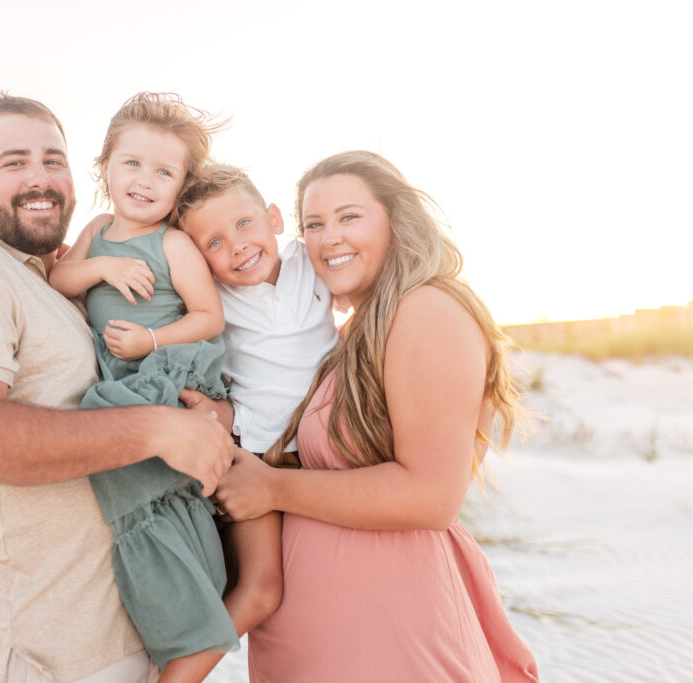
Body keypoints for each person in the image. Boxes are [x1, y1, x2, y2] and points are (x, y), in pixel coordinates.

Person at [0, 93, 234, 683]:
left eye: (54, 160)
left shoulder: (53, 286)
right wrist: (158, 429)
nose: (39, 177)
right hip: (28, 652)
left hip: (115, 640)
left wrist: (209, 411)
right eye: (13, 161)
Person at [211, 151, 540, 681]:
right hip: (327, 644)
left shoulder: (426, 309)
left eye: (348, 217)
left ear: (395, 219)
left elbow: (431, 495)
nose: (327, 238)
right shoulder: (352, 335)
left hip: (390, 639)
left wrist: (272, 490)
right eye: (313, 225)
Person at [48, 92, 243, 679]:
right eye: (131, 163)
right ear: (105, 166)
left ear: (180, 186)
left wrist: (150, 344)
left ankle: (186, 608)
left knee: (157, 496)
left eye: (164, 171)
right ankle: (163, 609)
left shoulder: (173, 244)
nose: (145, 180)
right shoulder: (97, 231)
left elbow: (209, 317)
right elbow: (61, 278)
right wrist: (102, 267)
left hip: (159, 373)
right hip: (122, 380)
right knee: (125, 492)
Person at [171, 163, 340, 679]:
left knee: (327, 580)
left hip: (325, 450)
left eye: (244, 224)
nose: (237, 246)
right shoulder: (213, 302)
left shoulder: (312, 265)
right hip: (254, 451)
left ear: (273, 218)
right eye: (214, 243)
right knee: (262, 590)